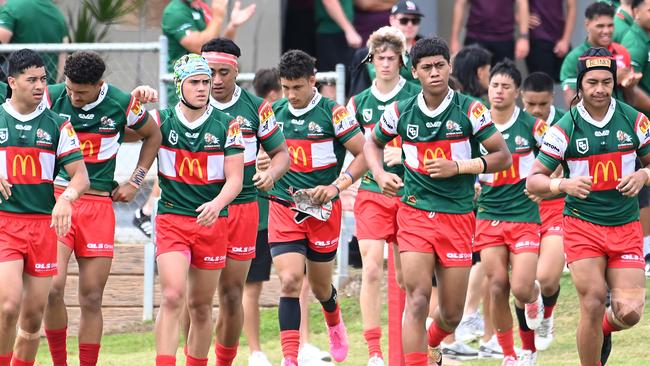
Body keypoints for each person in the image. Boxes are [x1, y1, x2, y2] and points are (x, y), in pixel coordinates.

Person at [364, 36, 511, 366]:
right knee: (416, 299)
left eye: (440, 66)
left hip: (457, 216)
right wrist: (380, 174)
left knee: (451, 314)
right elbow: (371, 144)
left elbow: (503, 156)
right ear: (414, 71)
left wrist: (458, 167)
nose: (434, 73)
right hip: (414, 211)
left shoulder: (470, 110)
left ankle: (433, 344)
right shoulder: (401, 110)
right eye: (426, 67)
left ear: (450, 67)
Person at [527, 47, 648, 366]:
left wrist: (643, 173)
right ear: (579, 86)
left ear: (614, 83)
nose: (599, 89)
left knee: (630, 313)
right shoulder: (564, 129)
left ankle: (600, 329)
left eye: (606, 82)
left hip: (625, 226)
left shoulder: (635, 121)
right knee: (593, 302)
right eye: (592, 82)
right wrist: (561, 184)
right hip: (583, 226)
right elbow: (534, 181)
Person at [39, 51, 161, 366]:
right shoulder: (51, 98)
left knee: (92, 296)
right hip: (59, 199)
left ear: (99, 85)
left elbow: (152, 135)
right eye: (69, 89)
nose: (74, 96)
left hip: (98, 206)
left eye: (81, 92)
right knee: (52, 287)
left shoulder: (122, 102)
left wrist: (135, 181)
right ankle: (59, 362)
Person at [270, 49, 367, 366]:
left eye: (297, 87)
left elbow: (365, 155)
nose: (291, 95)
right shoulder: (273, 113)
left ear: (313, 81)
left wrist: (335, 186)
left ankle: (334, 319)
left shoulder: (333, 113)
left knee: (322, 286)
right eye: (285, 87)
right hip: (284, 208)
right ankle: (290, 358)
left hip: (323, 212)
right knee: (289, 281)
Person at [200, 38, 290, 366]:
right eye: (210, 72)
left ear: (236, 71)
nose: (217, 80)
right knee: (192, 299)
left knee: (232, 294)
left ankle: (225, 360)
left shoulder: (256, 108)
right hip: (196, 209)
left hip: (242, 209)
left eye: (225, 72)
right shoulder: (188, 103)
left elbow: (282, 154)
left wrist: (272, 174)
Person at [153, 54, 244, 366]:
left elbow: (235, 178)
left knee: (201, 306)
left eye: (206, 81)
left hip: (211, 224)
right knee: (172, 296)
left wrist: (217, 204)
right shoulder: (161, 120)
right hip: (172, 219)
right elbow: (125, 128)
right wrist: (137, 97)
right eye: (195, 82)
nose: (203, 87)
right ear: (179, 85)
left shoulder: (227, 125)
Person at [0, 48, 89, 366]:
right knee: (8, 306)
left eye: (43, 79)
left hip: (41, 228)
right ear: (12, 82)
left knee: (32, 320)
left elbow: (81, 176)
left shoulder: (58, 125)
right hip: (5, 224)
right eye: (31, 80)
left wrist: (66, 198)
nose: (40, 86)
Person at [346, 26, 420, 366]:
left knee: (408, 279)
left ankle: (410, 349)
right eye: (380, 58)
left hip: (411, 193)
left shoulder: (417, 95)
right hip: (373, 193)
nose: (386, 64)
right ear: (371, 60)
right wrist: (341, 183)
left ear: (402, 60)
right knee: (372, 268)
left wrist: (404, 155)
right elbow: (356, 153)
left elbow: (432, 144)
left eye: (392, 58)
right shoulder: (359, 102)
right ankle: (374, 351)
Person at [475, 60, 548, 366]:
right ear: (487, 88)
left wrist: (545, 183)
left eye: (506, 87)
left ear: (517, 92)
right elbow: (458, 154)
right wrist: (473, 182)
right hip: (489, 214)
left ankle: (534, 298)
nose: (499, 92)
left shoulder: (532, 126)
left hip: (524, 216)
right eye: (495, 86)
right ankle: (509, 354)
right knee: (495, 286)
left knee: (520, 287)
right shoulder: (475, 122)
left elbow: (557, 155)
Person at [520, 71, 566, 351]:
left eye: (543, 105)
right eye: (530, 105)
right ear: (521, 100)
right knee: (521, 285)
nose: (536, 111)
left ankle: (547, 316)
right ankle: (526, 350)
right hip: (521, 209)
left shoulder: (566, 123)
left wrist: (548, 187)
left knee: (548, 279)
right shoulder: (514, 123)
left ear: (553, 99)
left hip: (557, 207)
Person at [161, 0, 256, 106]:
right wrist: (218, 17)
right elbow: (200, 46)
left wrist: (232, 26)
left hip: (207, 89)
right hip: (182, 93)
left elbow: (216, 51)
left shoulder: (201, 6)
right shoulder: (175, 11)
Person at [560, 2, 639, 107]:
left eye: (610, 25)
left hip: (619, 119)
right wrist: (612, 79)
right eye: (600, 26)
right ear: (587, 24)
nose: (606, 31)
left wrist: (629, 86)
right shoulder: (574, 58)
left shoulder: (622, 52)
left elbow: (630, 103)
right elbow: (571, 103)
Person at [350, 0, 424, 95]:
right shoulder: (367, 53)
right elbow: (358, 91)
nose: (410, 25)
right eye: (404, 20)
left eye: (415, 21)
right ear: (392, 20)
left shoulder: (426, 51)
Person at [0, 0, 68, 84]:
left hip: (15, 86)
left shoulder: (13, 6)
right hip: (46, 86)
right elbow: (63, 55)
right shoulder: (57, 13)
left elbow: (2, 39)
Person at [450, 0, 530, 64]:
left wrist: (524, 37)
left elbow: (522, 3)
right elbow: (460, 4)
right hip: (475, 37)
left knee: (504, 78)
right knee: (472, 80)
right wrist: (454, 40)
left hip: (504, 39)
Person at [526, 0, 576, 81]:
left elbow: (572, 8)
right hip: (538, 38)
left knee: (570, 83)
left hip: (560, 38)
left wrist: (565, 40)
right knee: (541, 86)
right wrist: (520, 17)